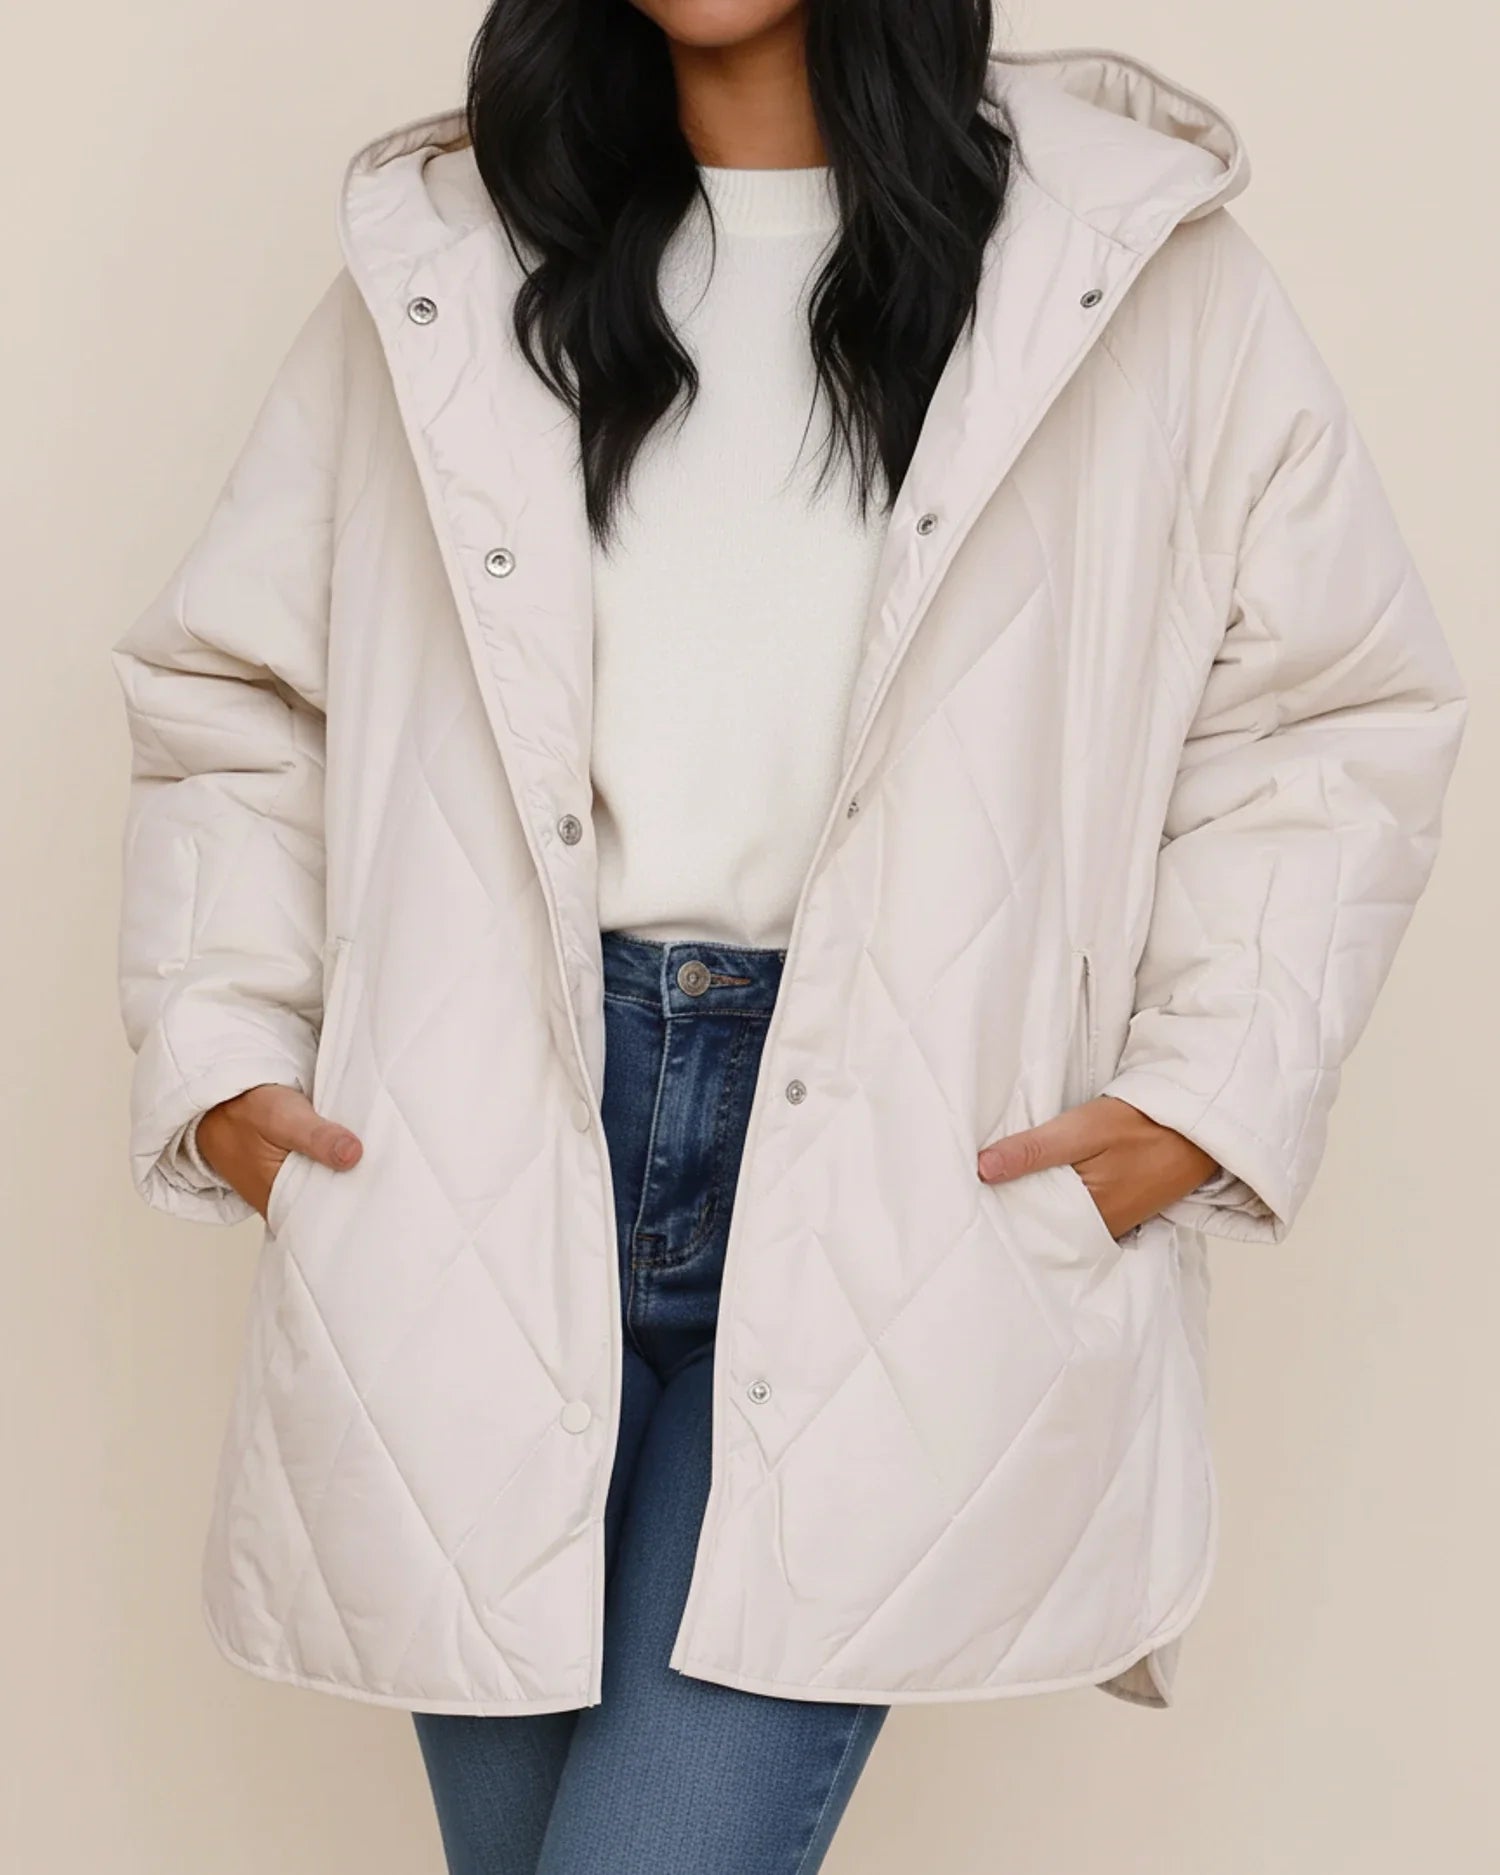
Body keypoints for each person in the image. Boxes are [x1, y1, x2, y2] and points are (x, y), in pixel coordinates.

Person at [110, 4, 1467, 1870]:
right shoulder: (448, 265)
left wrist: (1200, 1102)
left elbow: (1329, 713)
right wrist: (226, 1068)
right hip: (474, 1167)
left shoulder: (1125, 266)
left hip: (906, 1175)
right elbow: (241, 694)